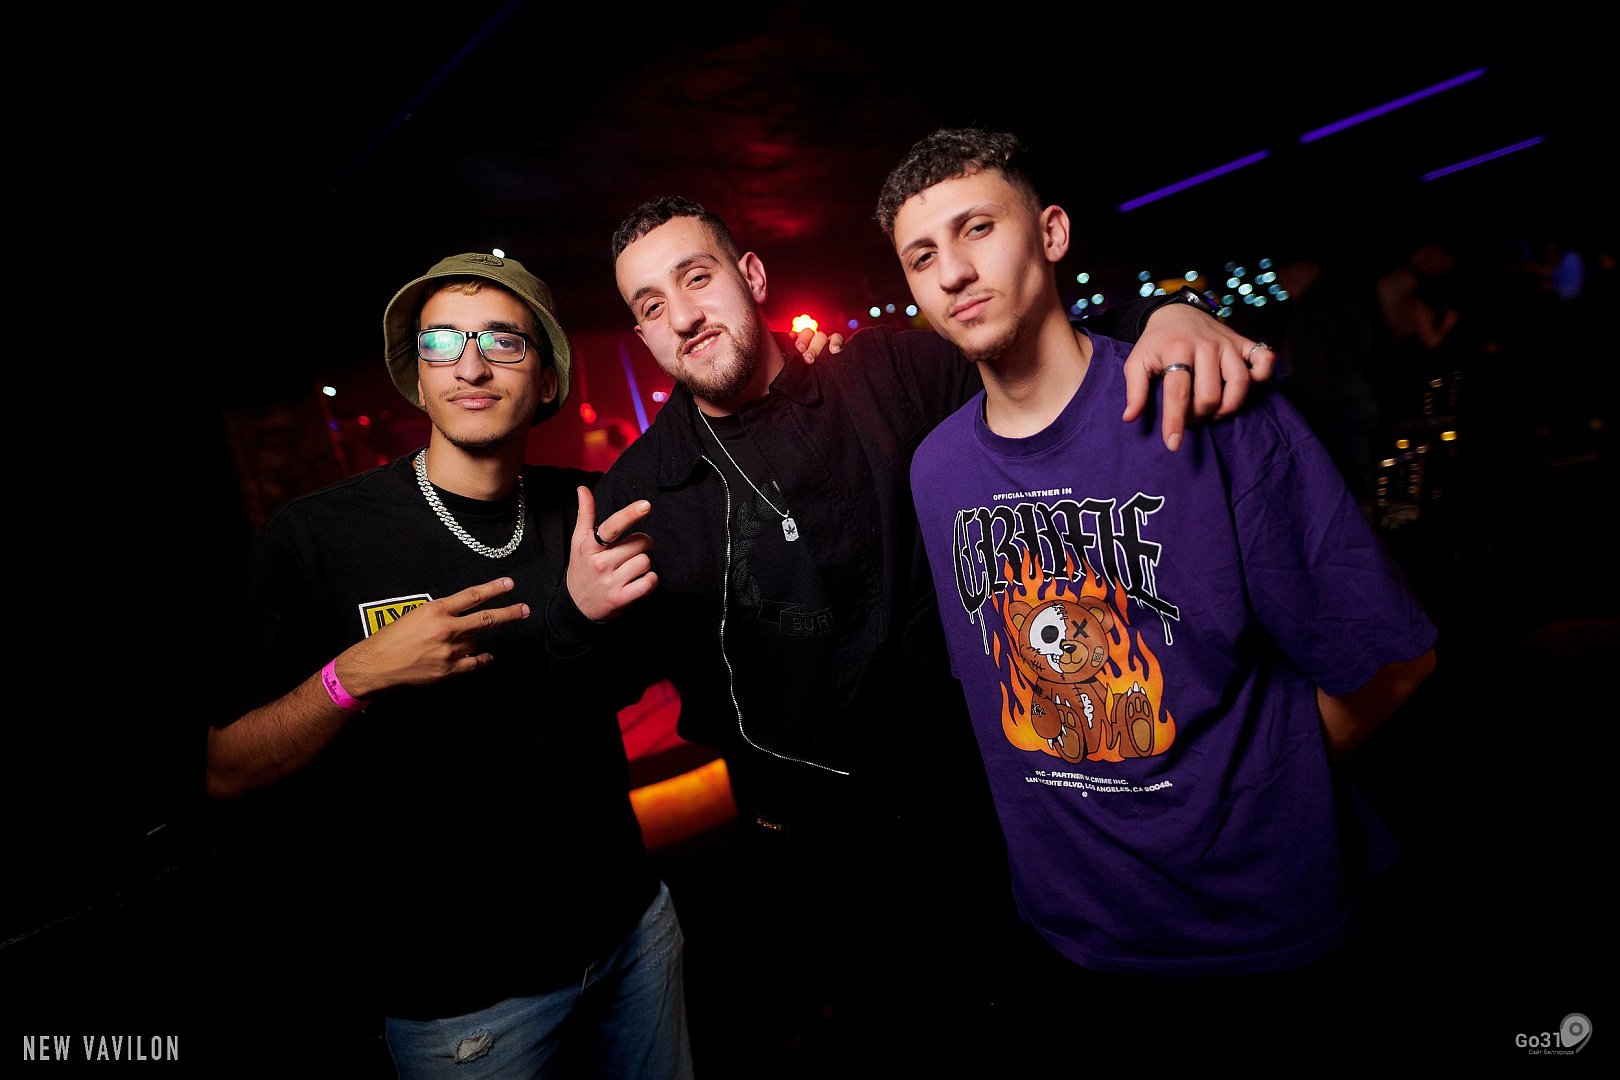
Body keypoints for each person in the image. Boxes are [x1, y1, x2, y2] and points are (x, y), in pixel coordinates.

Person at [556, 195, 1273, 1065]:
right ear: (641, 333)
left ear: (752, 276)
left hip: (988, 807)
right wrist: (582, 618)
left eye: (696, 278)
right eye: (651, 305)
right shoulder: (639, 494)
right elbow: (600, 694)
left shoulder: (886, 373)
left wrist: (1158, 319)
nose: (683, 317)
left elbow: (1032, 353)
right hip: (815, 860)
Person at [889, 130, 1437, 1052]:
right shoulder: (936, 470)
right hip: (1075, 940)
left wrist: (1257, 797)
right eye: (921, 255)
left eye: (977, 228)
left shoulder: (1205, 403)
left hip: (1260, 926)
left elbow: (1393, 663)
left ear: (1052, 233)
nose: (952, 272)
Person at [206, 253, 690, 1079]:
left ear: (546, 379)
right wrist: (352, 676)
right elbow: (226, 768)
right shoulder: (319, 539)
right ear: (419, 380)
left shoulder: (586, 511)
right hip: (465, 1004)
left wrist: (586, 617)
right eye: (442, 342)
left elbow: (627, 678)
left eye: (503, 341)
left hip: (632, 936)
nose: (471, 365)